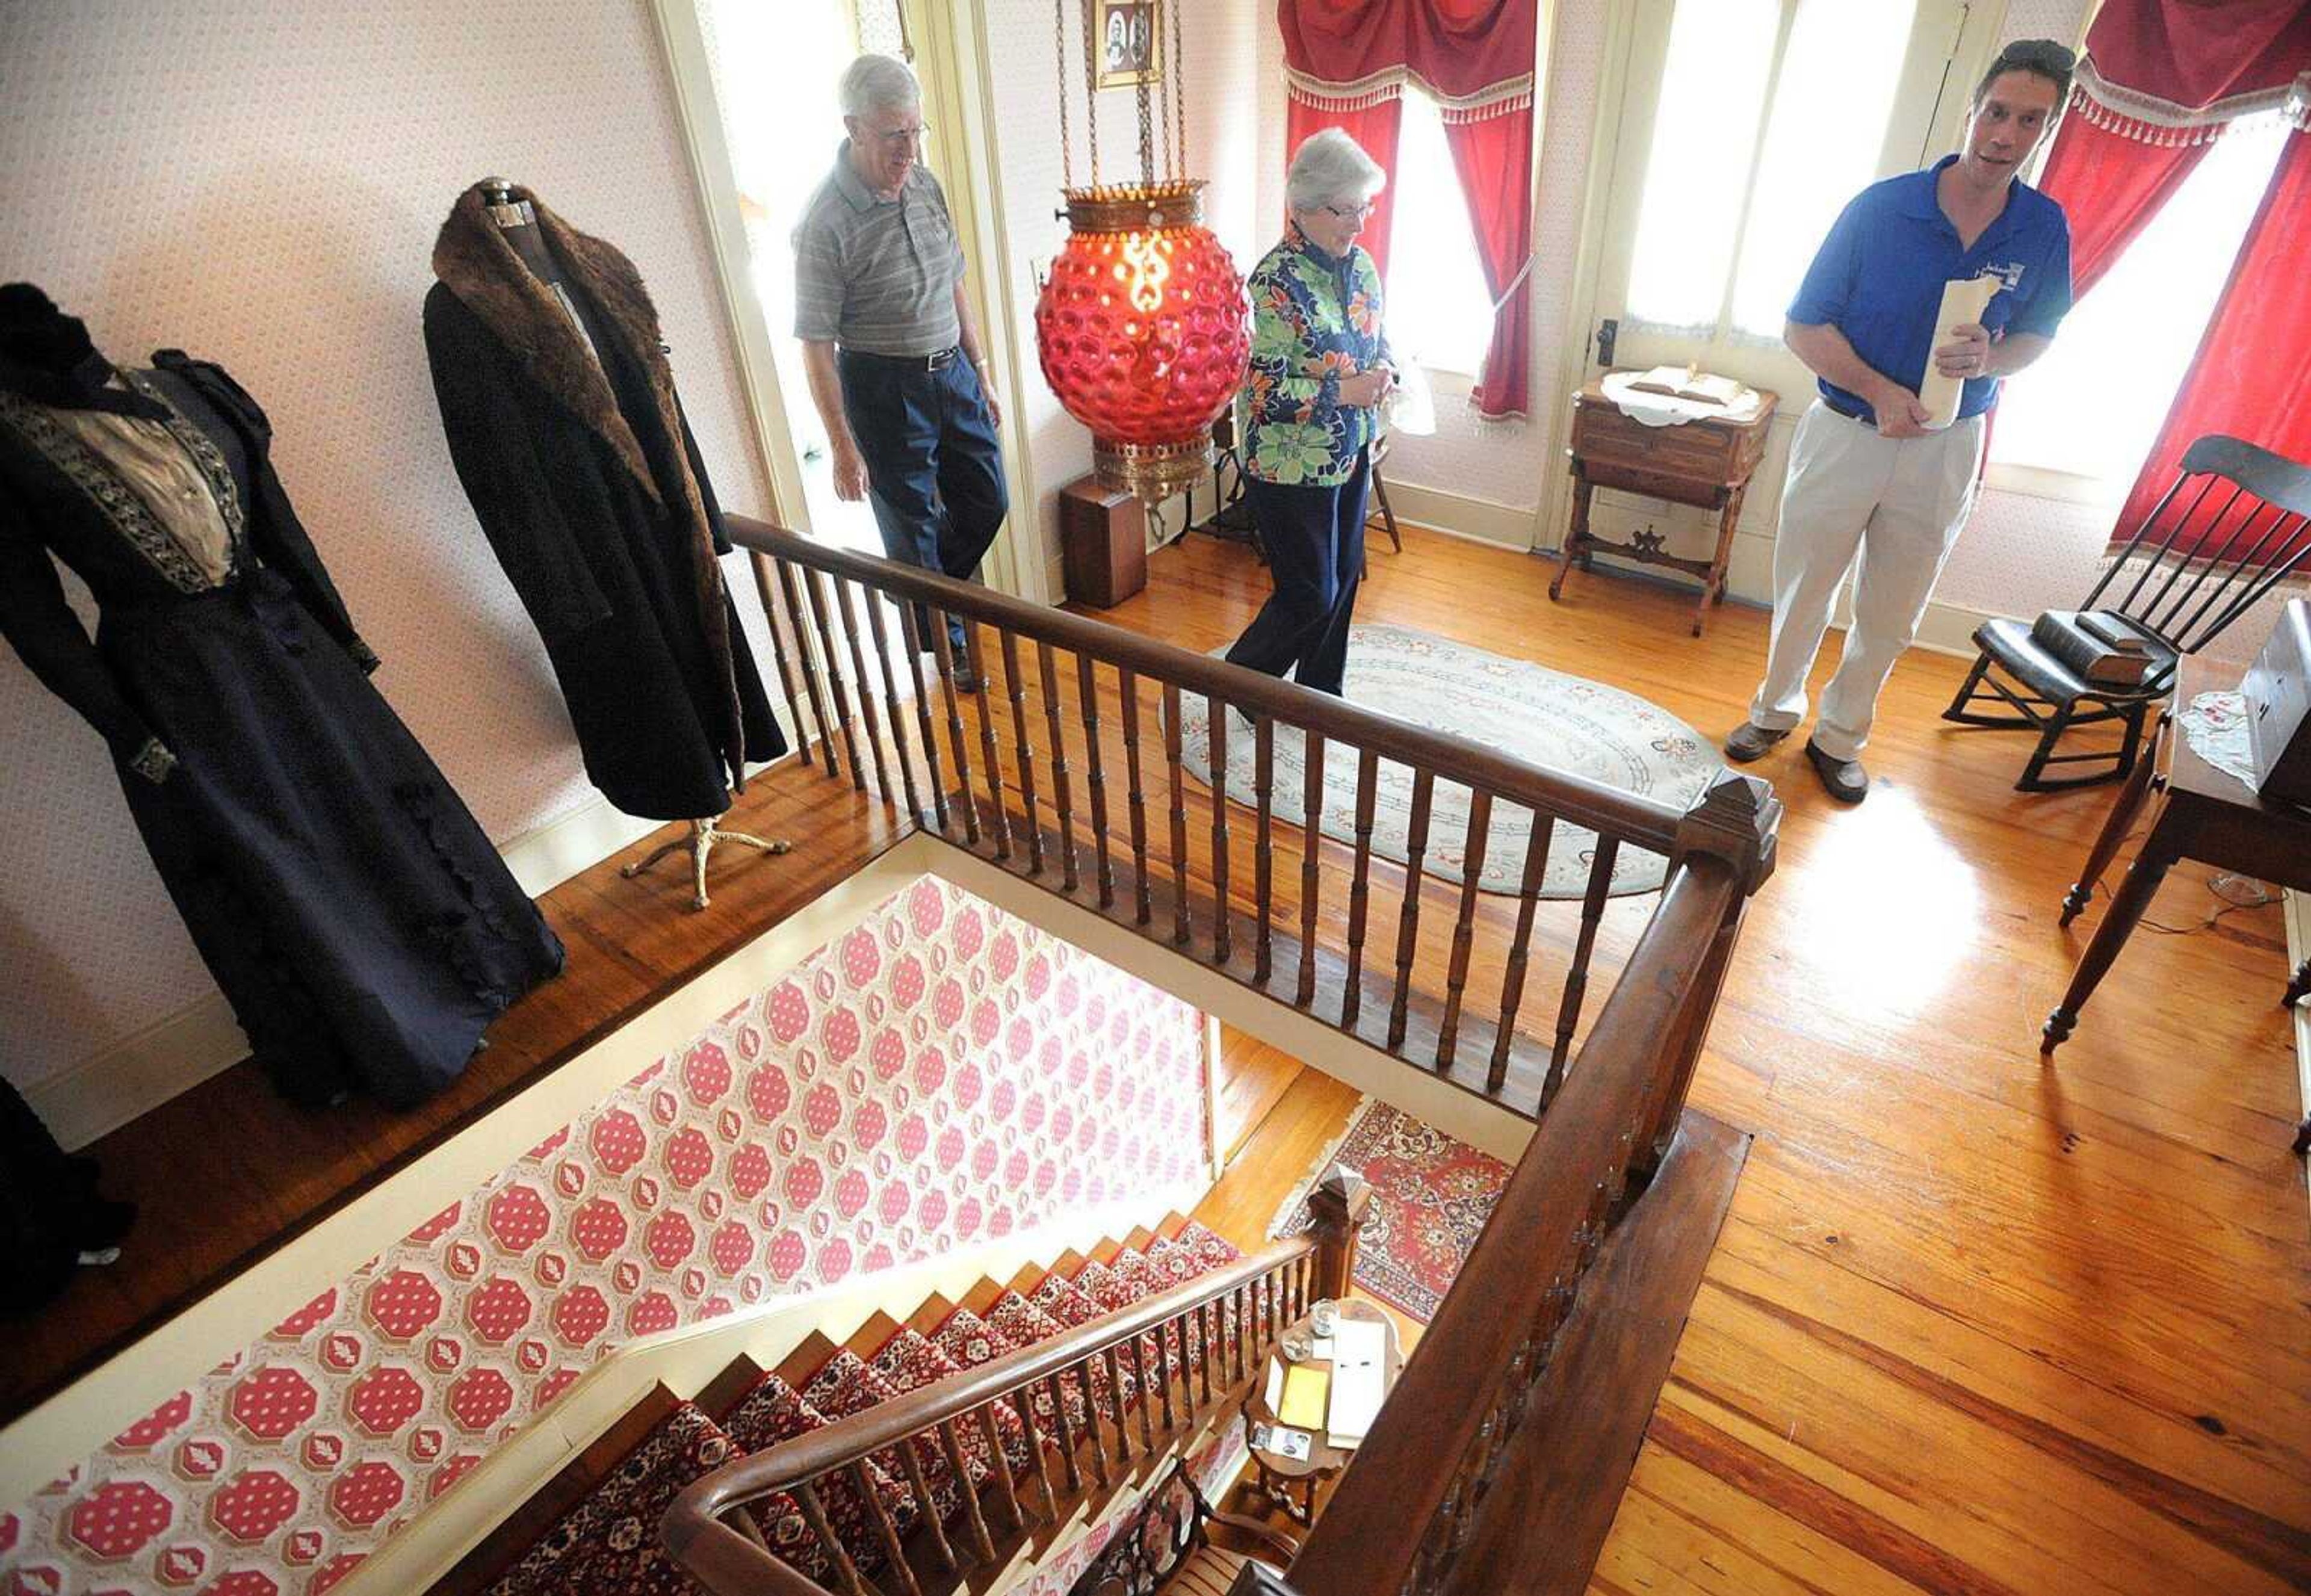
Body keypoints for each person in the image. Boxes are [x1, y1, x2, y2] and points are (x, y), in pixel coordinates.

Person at [1724, 39, 2076, 802]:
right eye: (1996, 112)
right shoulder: (1881, 209)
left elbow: (2038, 338)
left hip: (1946, 448)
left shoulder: (2045, 228)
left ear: (2047, 130)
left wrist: (1993, 357)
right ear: (1972, 108)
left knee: (1892, 611)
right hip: (1847, 430)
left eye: (2029, 121)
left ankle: (1841, 737)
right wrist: (1879, 391)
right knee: (1805, 588)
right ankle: (1773, 712)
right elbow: (1804, 327)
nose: (2006, 135)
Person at [794, 53, 1005, 690]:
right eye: (894, 135)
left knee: (987, 498)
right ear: (854, 128)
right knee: (911, 529)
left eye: (916, 131)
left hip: (952, 373)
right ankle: (950, 641)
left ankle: (920, 587)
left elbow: (955, 284)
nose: (908, 148)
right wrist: (841, 446)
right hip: (884, 388)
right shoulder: (823, 224)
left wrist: (983, 372)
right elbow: (815, 345)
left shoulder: (925, 183)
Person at [1224, 129, 1394, 698]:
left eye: (1364, 207)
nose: (1359, 223)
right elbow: (1264, 389)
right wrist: (1344, 393)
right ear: (1303, 207)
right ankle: (1239, 682)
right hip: (1287, 462)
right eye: (1345, 210)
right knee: (1309, 592)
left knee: (1344, 580)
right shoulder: (1273, 283)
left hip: (1352, 449)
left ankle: (1322, 693)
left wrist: (1385, 369)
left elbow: (1376, 337)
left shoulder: (1362, 266)